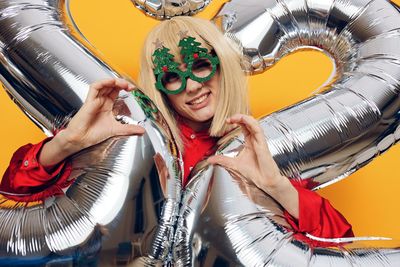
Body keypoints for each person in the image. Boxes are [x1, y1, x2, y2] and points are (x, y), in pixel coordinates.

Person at [0, 16, 353, 242]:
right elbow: (16, 191)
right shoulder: (129, 135)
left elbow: (337, 240)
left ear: (222, 67)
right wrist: (67, 144)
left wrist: (276, 186)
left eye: (201, 65)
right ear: (160, 86)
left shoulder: (255, 149)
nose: (191, 87)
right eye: (172, 76)